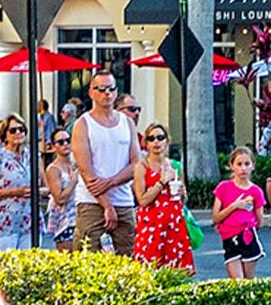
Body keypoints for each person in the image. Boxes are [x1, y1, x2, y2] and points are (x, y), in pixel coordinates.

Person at [73, 74, 139, 255]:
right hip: (91, 202)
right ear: (91, 93)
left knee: (128, 259)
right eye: (101, 89)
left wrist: (111, 182)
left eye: (111, 89)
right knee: (89, 257)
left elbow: (135, 164)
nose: (106, 93)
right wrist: (107, 206)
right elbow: (87, 173)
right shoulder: (83, 124)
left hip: (124, 201)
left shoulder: (127, 123)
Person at [129, 122, 195, 271]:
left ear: (167, 140)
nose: (156, 142)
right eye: (151, 138)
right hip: (151, 226)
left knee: (178, 272)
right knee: (149, 270)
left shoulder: (175, 166)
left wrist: (182, 193)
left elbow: (183, 201)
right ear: (146, 143)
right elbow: (142, 200)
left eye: (160, 137)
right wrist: (161, 182)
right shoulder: (141, 167)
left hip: (174, 225)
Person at [0, 117, 34, 250]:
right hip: (3, 222)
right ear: (5, 135)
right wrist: (14, 192)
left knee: (27, 266)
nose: (18, 133)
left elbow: (46, 186)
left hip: (28, 221)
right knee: (3, 267)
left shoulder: (33, 156)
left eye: (21, 129)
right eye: (13, 130)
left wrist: (37, 191)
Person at [213, 147, 265, 279]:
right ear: (231, 166)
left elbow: (260, 220)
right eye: (239, 164)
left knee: (248, 281)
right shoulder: (223, 188)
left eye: (247, 164)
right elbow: (215, 217)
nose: (243, 168)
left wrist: (250, 226)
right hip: (230, 238)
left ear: (253, 166)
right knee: (237, 281)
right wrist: (234, 206)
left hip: (248, 236)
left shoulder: (256, 191)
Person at [38, 124, 78, 250]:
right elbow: (59, 198)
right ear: (53, 146)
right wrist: (73, 182)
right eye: (60, 142)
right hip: (64, 220)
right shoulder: (53, 169)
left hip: (80, 216)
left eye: (68, 140)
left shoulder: (76, 164)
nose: (65, 144)